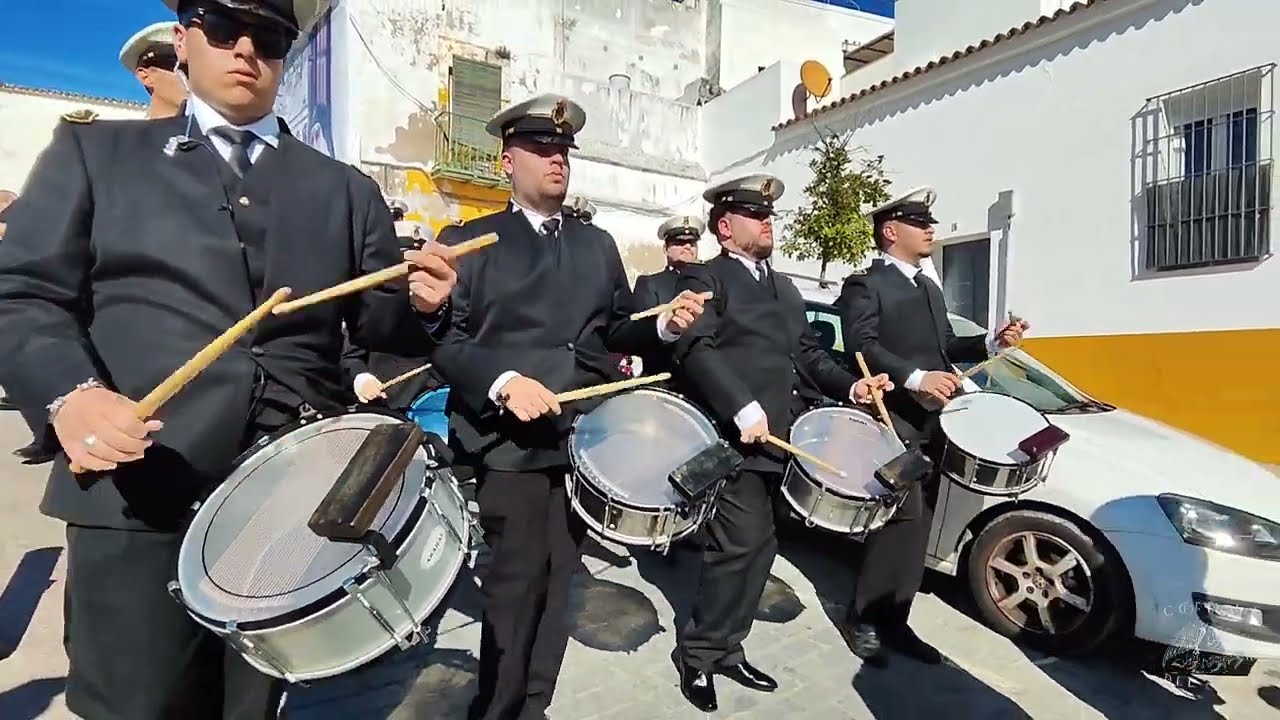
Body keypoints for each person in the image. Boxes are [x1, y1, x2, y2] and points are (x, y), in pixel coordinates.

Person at [0, 1, 458, 718]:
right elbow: (20, 293)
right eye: (223, 30)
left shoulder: (347, 191)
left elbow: (381, 332)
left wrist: (425, 305)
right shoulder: (95, 155)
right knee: (132, 705)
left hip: (283, 506)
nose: (246, 49)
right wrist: (71, 395)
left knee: (248, 708)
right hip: (135, 492)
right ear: (184, 41)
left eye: (270, 38)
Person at [431, 93, 708, 720]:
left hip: (583, 441)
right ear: (507, 162)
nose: (556, 160)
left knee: (560, 587)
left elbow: (611, 333)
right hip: (509, 444)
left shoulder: (598, 244)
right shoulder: (471, 241)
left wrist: (663, 329)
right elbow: (445, 341)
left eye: (562, 151)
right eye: (540, 149)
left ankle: (534, 707)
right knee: (513, 591)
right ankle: (496, 709)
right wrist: (503, 381)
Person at [670, 173, 892, 712]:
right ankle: (698, 656)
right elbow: (696, 350)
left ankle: (728, 647)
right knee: (737, 547)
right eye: (755, 215)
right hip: (734, 439)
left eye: (769, 214)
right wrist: (741, 406)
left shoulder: (784, 286)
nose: (768, 221)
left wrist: (851, 385)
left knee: (762, 548)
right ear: (725, 227)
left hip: (780, 441)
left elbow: (809, 355)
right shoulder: (707, 278)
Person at [834, 186, 1029, 667]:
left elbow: (945, 346)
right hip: (893, 417)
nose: (931, 231)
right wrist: (916, 377)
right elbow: (861, 346)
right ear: (890, 231)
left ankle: (896, 621)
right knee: (896, 520)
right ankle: (864, 618)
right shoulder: (866, 284)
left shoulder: (927, 284)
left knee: (920, 525)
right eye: (920, 224)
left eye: (930, 223)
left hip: (933, 421)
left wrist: (991, 341)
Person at [631, 215, 703, 385]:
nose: (687, 247)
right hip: (666, 379)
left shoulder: (710, 283)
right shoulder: (650, 284)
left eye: (692, 243)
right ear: (665, 249)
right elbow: (641, 335)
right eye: (678, 243)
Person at [120, 20, 188, 119]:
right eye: (181, 68)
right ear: (145, 76)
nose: (194, 78)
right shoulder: (122, 133)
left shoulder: (211, 133)